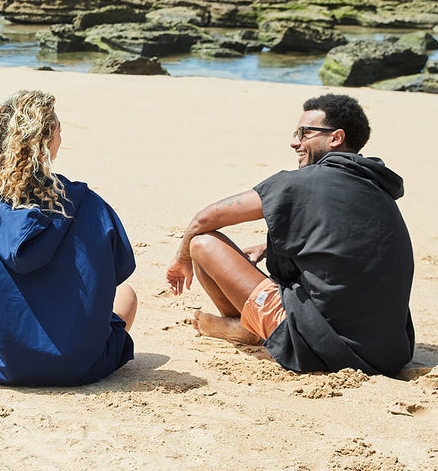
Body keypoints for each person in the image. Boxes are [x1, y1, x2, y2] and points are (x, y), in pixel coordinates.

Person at [166, 93, 415, 376]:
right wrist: (266, 246)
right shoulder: (375, 186)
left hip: (323, 348)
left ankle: (245, 327)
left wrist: (181, 259)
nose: (294, 141)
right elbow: (346, 243)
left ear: (336, 138)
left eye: (305, 133)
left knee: (203, 242)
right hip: (390, 352)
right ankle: (251, 323)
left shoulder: (300, 183)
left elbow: (205, 218)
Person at [0, 90, 138, 387]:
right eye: (59, 131)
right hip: (84, 365)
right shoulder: (90, 204)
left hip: (6, 363)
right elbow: (118, 270)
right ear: (48, 142)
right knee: (127, 295)